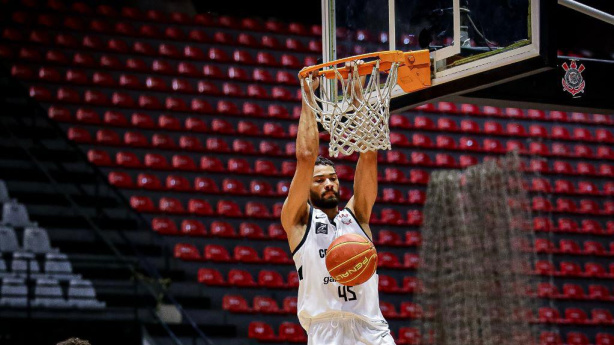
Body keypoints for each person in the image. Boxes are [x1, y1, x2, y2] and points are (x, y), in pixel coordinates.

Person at [281, 65, 396, 345]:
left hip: (372, 330)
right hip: (326, 331)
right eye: (319, 181)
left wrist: (356, 92)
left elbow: (368, 154)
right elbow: (306, 157)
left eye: (332, 178)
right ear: (307, 189)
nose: (329, 183)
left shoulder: (357, 216)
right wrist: (309, 95)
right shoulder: (298, 222)